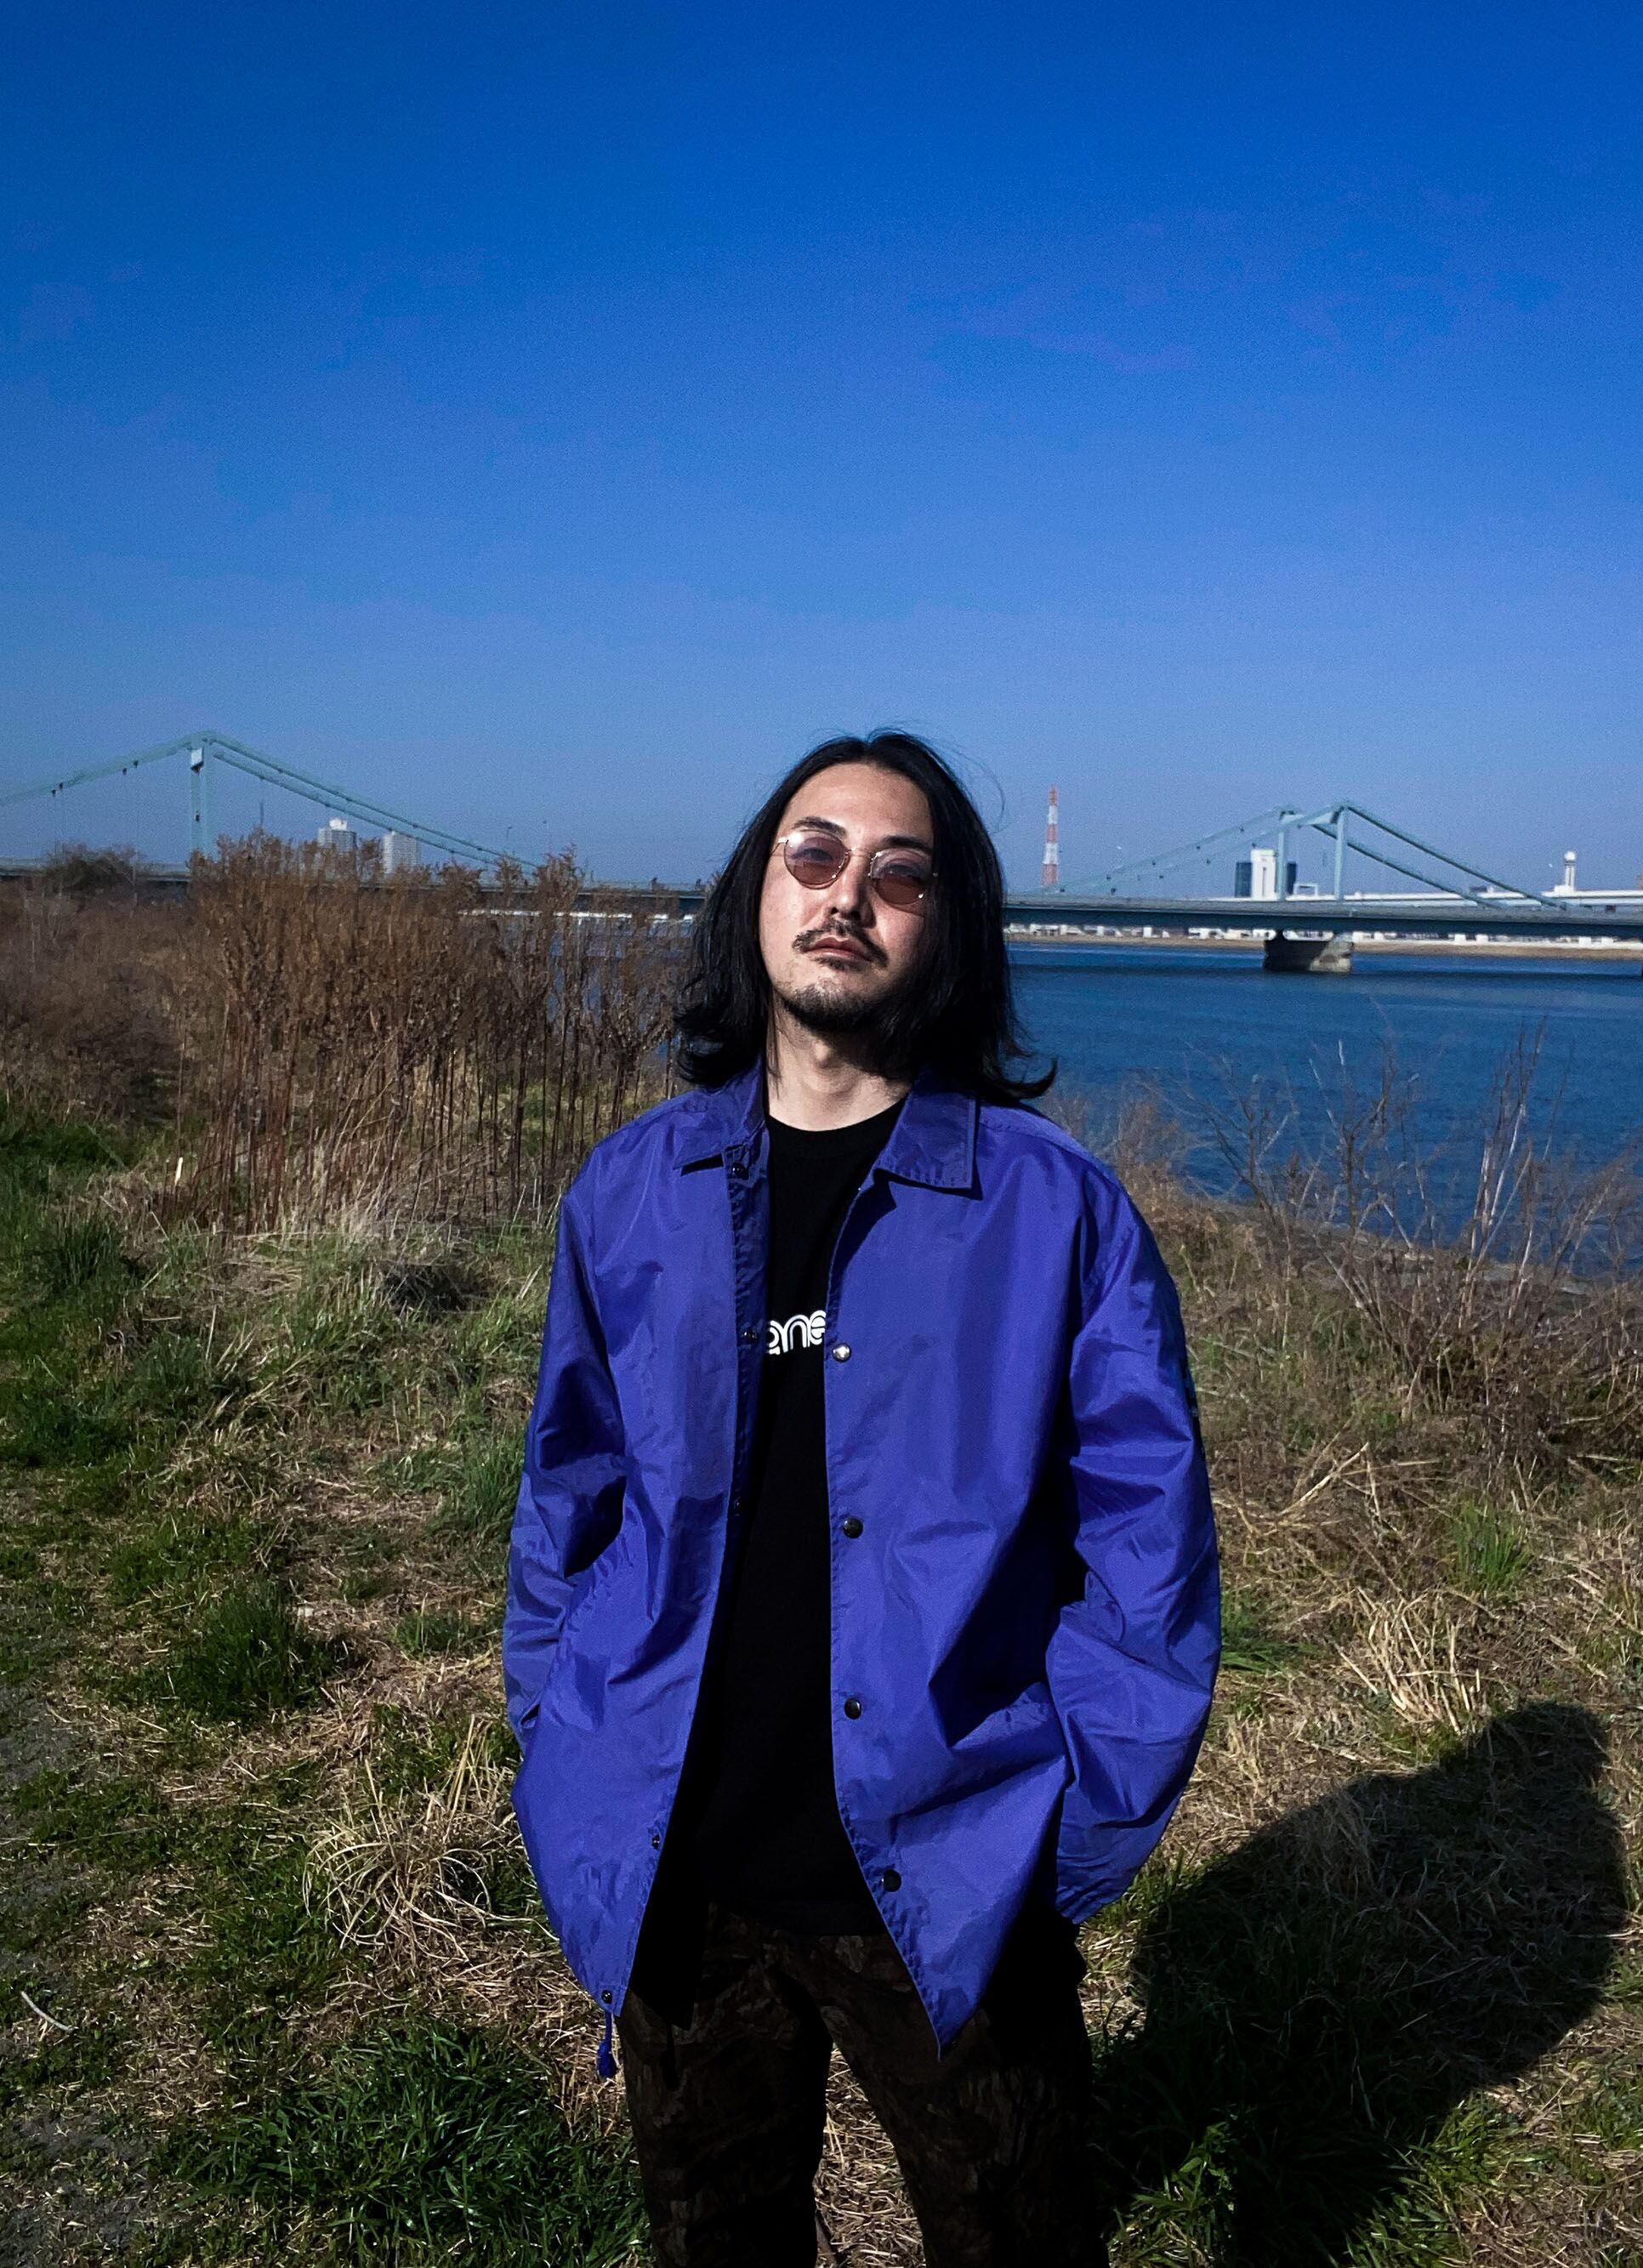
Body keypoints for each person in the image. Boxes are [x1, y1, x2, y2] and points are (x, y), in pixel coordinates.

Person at [503, 731, 1219, 2267]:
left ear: (948, 929)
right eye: (814, 855)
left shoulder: (1055, 1212)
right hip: (676, 1865)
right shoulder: (628, 1193)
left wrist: (1070, 1837)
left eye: (901, 874)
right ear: (753, 897)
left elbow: (1148, 1553)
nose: (848, 897)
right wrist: (561, 1736)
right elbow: (568, 1493)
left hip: (956, 1867)